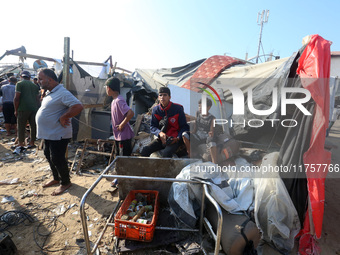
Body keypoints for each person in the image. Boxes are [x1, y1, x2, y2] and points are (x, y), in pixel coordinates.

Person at [36, 68, 83, 196]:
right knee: (48, 154)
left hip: (59, 133)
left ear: (49, 80)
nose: (38, 81)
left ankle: (65, 182)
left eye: (40, 78)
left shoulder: (62, 92)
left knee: (57, 157)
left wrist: (64, 117)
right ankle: (56, 178)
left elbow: (78, 106)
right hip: (49, 133)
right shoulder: (49, 92)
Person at [141, 87, 189, 157]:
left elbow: (184, 127)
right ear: (158, 97)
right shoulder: (155, 110)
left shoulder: (178, 108)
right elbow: (152, 126)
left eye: (165, 95)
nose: (162, 97)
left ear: (169, 97)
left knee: (166, 154)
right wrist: (160, 133)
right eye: (160, 95)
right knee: (145, 150)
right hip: (162, 139)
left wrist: (177, 138)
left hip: (175, 139)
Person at [105, 77, 135, 156]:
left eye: (106, 88)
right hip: (118, 136)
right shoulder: (114, 101)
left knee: (123, 161)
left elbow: (131, 113)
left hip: (124, 137)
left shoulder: (119, 100)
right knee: (118, 158)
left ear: (108, 88)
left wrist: (122, 124)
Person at [182, 98, 218, 163]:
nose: (200, 108)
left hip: (205, 138)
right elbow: (195, 127)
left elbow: (212, 130)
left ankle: (214, 162)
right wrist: (192, 133)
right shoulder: (198, 113)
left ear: (208, 108)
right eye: (199, 106)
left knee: (212, 141)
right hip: (197, 137)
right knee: (185, 134)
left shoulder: (212, 118)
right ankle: (190, 153)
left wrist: (211, 134)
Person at [13, 71, 40, 154]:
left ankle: (21, 143)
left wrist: (16, 110)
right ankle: (32, 142)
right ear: (29, 77)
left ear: (21, 76)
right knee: (33, 126)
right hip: (34, 108)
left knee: (21, 126)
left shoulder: (19, 84)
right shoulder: (35, 86)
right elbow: (37, 99)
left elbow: (17, 98)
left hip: (23, 108)